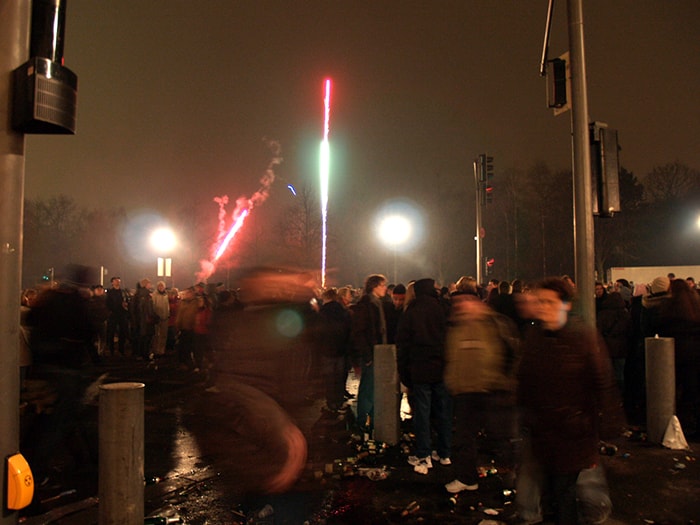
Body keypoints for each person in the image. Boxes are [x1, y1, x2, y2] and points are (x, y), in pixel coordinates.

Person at [515, 277, 624, 524]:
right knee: (551, 492)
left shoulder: (584, 337)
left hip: (572, 433)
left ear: (565, 304)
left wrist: (608, 423)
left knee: (564, 494)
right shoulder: (534, 336)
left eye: (548, 301)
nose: (542, 306)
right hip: (541, 432)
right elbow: (524, 378)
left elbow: (603, 382)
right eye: (539, 301)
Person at [443, 287, 520, 493]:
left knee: (501, 439)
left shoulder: (495, 323)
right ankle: (467, 479)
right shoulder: (456, 326)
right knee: (463, 439)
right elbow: (452, 356)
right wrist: (453, 381)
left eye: (463, 302)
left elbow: (511, 354)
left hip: (492, 390)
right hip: (465, 392)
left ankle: (513, 479)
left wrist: (504, 383)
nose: (459, 307)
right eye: (456, 303)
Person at [396, 278, 452, 475]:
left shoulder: (412, 312)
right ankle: (444, 453)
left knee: (422, 413)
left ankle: (424, 454)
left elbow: (403, 345)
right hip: (440, 367)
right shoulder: (442, 308)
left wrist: (404, 372)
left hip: (420, 368)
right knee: (443, 411)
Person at [658, 278, 700, 437]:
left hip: (677, 355)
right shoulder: (696, 305)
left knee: (681, 392)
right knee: (694, 391)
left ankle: (682, 427)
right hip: (695, 355)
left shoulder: (670, 308)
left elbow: (661, 329)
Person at [350, 274, 390, 431]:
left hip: (376, 353)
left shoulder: (376, 304)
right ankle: (362, 423)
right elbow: (359, 333)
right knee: (368, 388)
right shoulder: (367, 306)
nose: (385, 288)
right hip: (372, 355)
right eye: (382, 285)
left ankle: (371, 422)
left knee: (373, 389)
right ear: (374, 287)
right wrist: (367, 356)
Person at [316, 287, 353, 414]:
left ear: (326, 298)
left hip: (327, 350)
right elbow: (349, 330)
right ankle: (338, 402)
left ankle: (331, 404)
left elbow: (318, 333)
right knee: (339, 377)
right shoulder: (343, 311)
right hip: (341, 349)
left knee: (329, 379)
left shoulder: (322, 312)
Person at [105, 276, 130, 356]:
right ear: (112, 282)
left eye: (119, 280)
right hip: (113, 314)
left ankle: (121, 349)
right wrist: (110, 312)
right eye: (115, 281)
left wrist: (126, 305)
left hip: (122, 314)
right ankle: (111, 349)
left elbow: (127, 300)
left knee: (122, 332)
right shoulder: (109, 292)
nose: (118, 282)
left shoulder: (123, 292)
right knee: (111, 332)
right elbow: (107, 303)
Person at [152, 280, 170, 357]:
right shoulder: (155, 295)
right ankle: (155, 350)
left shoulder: (166, 295)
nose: (161, 287)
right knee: (156, 335)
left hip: (165, 317)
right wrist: (155, 315)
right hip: (157, 318)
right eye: (159, 286)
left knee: (164, 334)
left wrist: (167, 314)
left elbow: (167, 306)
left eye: (162, 286)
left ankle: (161, 350)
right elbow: (153, 305)